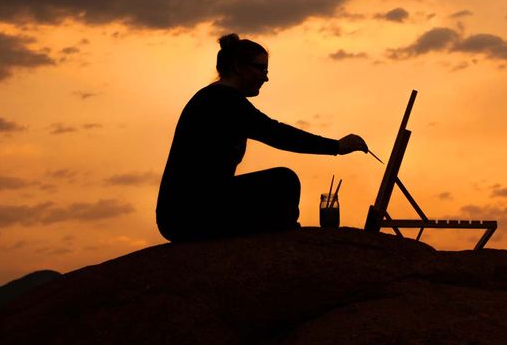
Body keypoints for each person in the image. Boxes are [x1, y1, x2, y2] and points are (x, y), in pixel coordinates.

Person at [156, 33, 368, 242]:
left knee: (279, 186)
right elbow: (276, 133)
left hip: (187, 213)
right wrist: (336, 146)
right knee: (284, 181)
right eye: (261, 69)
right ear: (238, 67)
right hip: (189, 215)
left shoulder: (215, 98)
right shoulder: (222, 101)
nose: (265, 77)